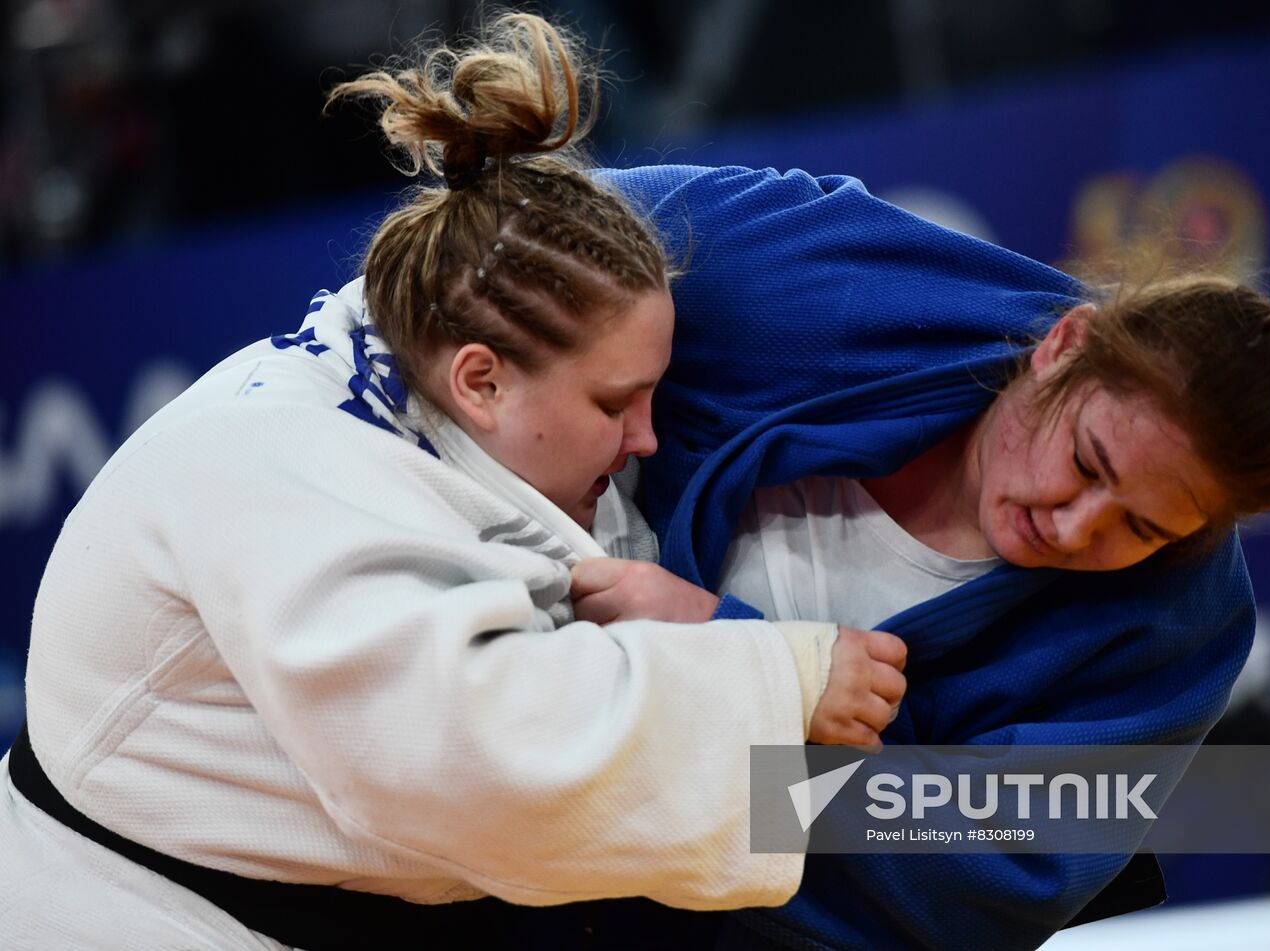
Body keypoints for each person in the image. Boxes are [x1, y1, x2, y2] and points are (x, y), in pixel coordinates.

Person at [0, 16, 908, 951]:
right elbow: (486, 763)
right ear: (480, 380)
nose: (646, 437)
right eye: (616, 403)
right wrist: (769, 668)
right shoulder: (283, 466)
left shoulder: (462, 337)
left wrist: (973, 801)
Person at [564, 164, 1270, 949]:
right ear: (1064, 344)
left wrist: (735, 667)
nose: (1074, 529)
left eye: (1141, 529)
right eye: (1086, 462)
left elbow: (987, 873)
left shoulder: (1176, 621)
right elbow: (530, 234)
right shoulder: (837, 281)